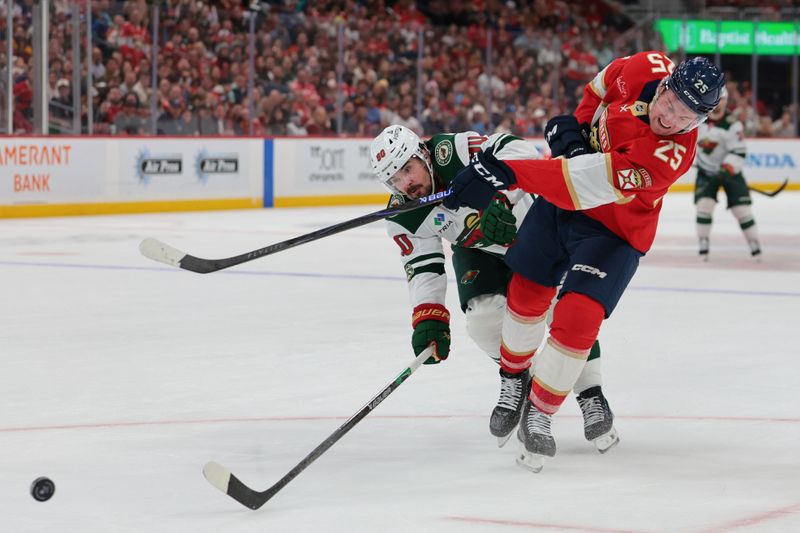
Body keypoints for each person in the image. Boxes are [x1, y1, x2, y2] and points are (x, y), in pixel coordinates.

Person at [442, 53, 725, 472]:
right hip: (565, 201)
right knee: (525, 292)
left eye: (686, 118)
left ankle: (540, 411)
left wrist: (509, 171)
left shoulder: (668, 157)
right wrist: (574, 135)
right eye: (670, 105)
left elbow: (582, 185)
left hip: (613, 232)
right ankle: (512, 380)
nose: (671, 120)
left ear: (698, 123)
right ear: (664, 85)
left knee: (578, 317)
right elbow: (596, 91)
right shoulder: (642, 66)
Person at [369, 125, 618, 450]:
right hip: (479, 250)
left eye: (407, 169)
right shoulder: (405, 215)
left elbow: (521, 150)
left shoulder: (456, 150)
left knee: (566, 312)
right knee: (484, 322)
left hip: (533, 229)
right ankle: (520, 381)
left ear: (423, 154)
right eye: (394, 180)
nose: (406, 184)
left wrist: (502, 195)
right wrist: (429, 316)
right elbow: (424, 268)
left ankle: (590, 393)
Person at [694, 87, 760, 260]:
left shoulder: (732, 123)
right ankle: (703, 244)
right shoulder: (696, 118)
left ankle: (754, 244)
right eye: (715, 99)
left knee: (742, 209)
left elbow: (739, 151)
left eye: (721, 99)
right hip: (706, 172)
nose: (718, 103)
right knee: (704, 207)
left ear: (726, 101)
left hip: (729, 172)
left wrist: (727, 168)